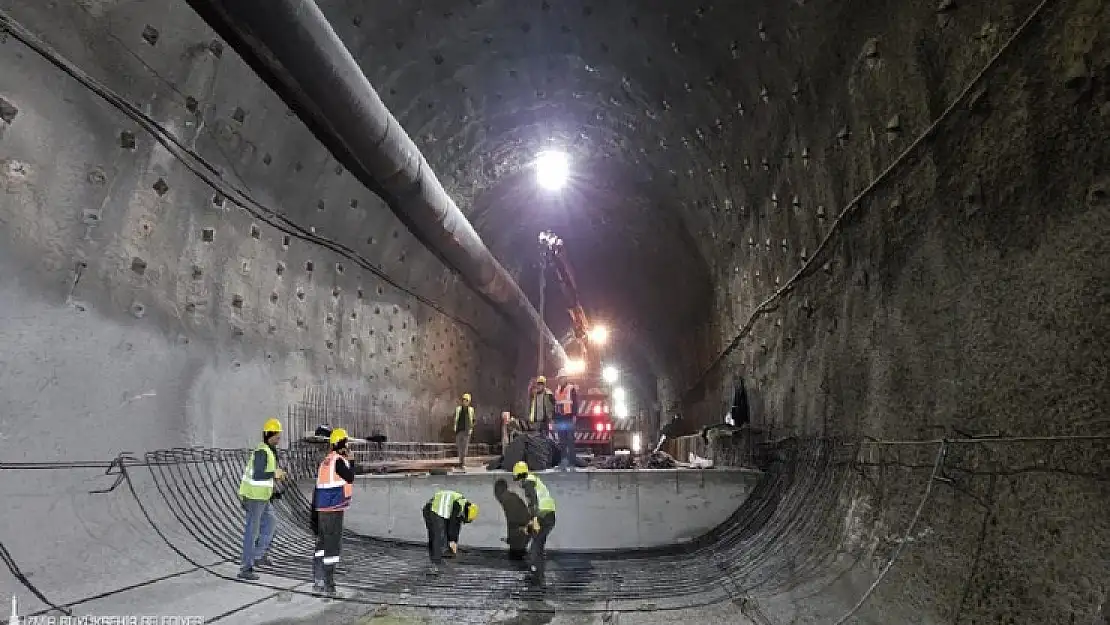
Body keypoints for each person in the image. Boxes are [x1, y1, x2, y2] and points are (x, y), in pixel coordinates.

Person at [237, 417, 286, 581]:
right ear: (269, 435)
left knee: (271, 524)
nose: (279, 438)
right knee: (252, 531)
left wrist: (275, 487)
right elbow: (258, 475)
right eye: (277, 435)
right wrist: (274, 474)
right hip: (253, 497)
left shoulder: (270, 450)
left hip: (263, 497)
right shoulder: (261, 451)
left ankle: (258, 556)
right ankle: (246, 568)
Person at [311, 427, 355, 595]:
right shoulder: (338, 460)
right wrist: (351, 461)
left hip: (322, 509)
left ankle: (318, 580)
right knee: (332, 547)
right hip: (334, 508)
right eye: (346, 443)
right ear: (342, 444)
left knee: (322, 544)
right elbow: (350, 477)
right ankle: (329, 585)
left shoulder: (326, 461)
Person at [513, 461, 556, 586]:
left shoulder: (528, 483)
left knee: (535, 548)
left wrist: (535, 519)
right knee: (538, 546)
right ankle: (538, 575)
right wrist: (529, 525)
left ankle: (537, 578)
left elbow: (534, 502)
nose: (518, 483)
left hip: (544, 516)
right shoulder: (533, 480)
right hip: (548, 516)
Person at [422, 489, 479, 574]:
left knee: (436, 536)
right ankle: (437, 563)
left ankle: (436, 560)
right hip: (434, 509)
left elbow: (456, 525)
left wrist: (454, 541)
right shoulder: (459, 506)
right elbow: (453, 525)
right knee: (439, 536)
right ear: (466, 514)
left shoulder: (461, 504)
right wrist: (452, 542)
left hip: (430, 508)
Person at [553, 371, 579, 471]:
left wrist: (574, 416)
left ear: (565, 379)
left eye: (561, 378)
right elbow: (556, 405)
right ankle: (563, 462)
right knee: (562, 442)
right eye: (559, 379)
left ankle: (572, 463)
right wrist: (555, 420)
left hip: (568, 418)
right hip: (560, 419)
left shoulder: (571, 389)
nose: (560, 380)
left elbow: (575, 403)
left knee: (570, 441)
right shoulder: (557, 390)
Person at [453, 393, 475, 469]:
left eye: (466, 400)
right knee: (459, 446)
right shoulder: (458, 409)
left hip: (466, 430)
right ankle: (460, 461)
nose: (465, 402)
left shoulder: (471, 410)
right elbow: (455, 418)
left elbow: (473, 420)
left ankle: (463, 462)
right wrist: (455, 427)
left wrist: (471, 428)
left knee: (465, 447)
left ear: (469, 401)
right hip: (459, 430)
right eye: (464, 400)